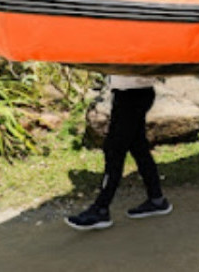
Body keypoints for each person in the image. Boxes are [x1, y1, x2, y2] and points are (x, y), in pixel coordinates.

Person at [65, 75, 172, 230]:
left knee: (114, 150)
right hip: (133, 94)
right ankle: (157, 199)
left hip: (132, 96)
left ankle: (101, 209)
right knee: (138, 147)